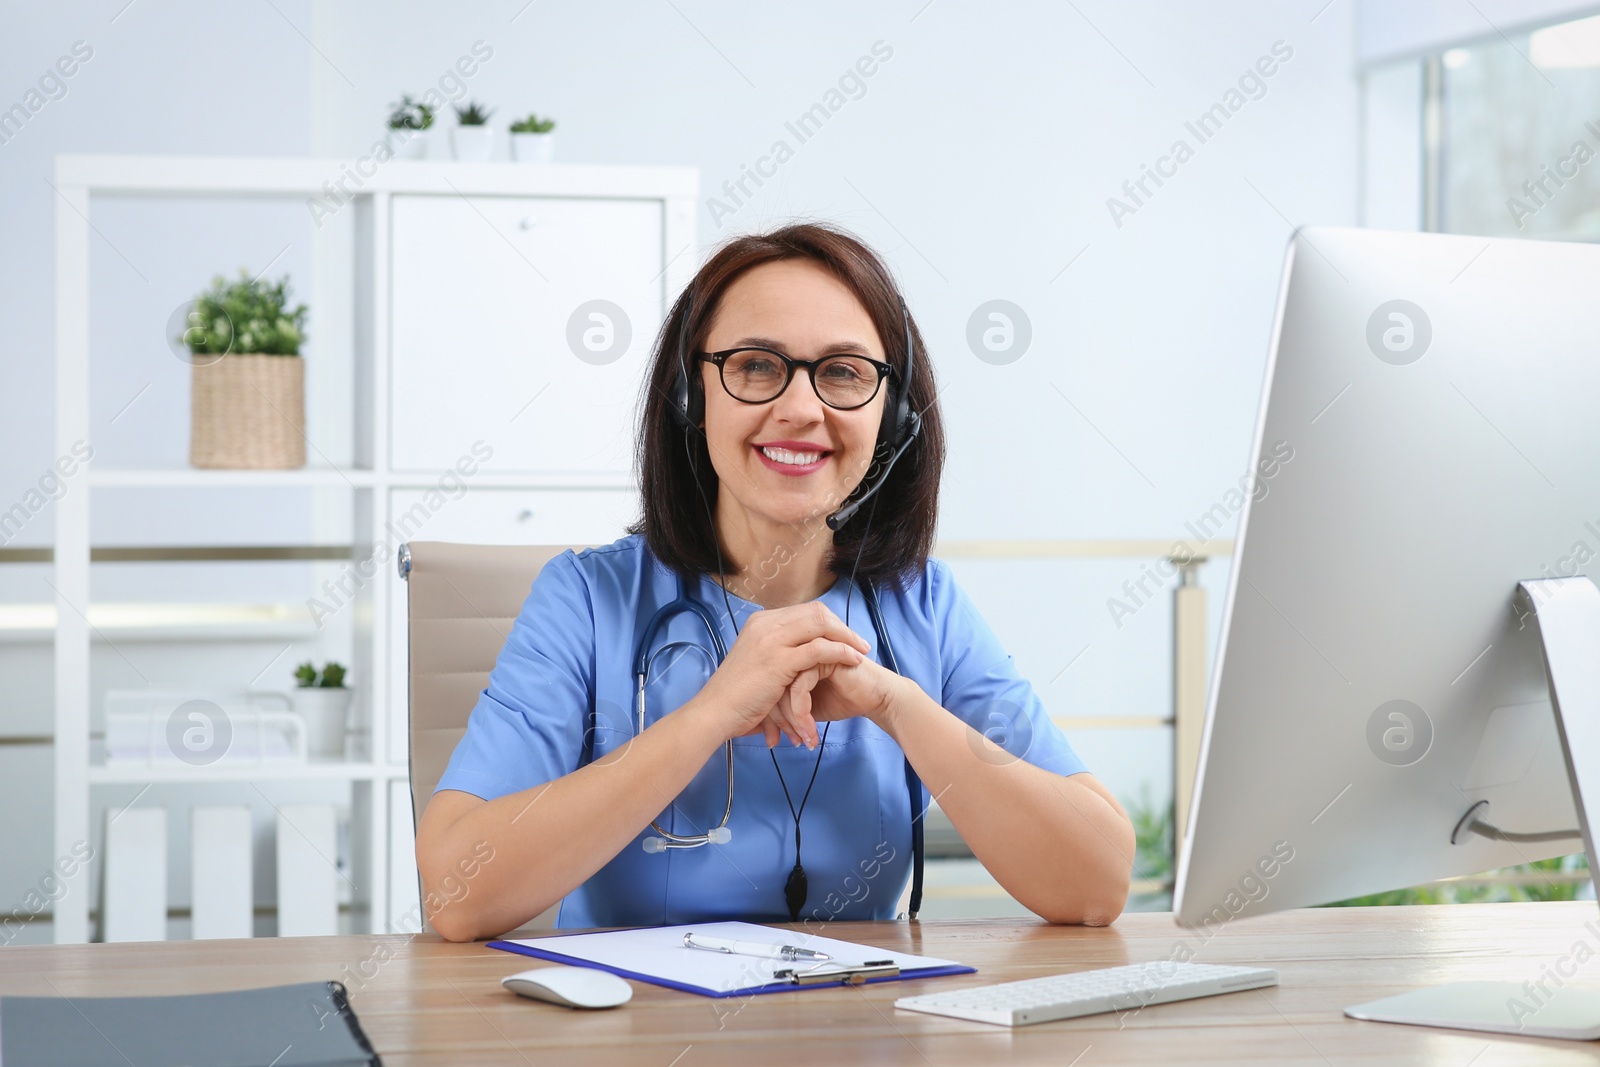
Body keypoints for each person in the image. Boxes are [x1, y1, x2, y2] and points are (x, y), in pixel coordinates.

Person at [415, 222, 1134, 941]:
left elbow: (1096, 882)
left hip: (855, 1038)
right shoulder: (587, 600)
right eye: (757, 365)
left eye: (844, 371)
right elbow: (456, 891)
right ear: (692, 396)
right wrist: (712, 713)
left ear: (896, 413)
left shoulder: (924, 606)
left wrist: (895, 702)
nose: (799, 409)